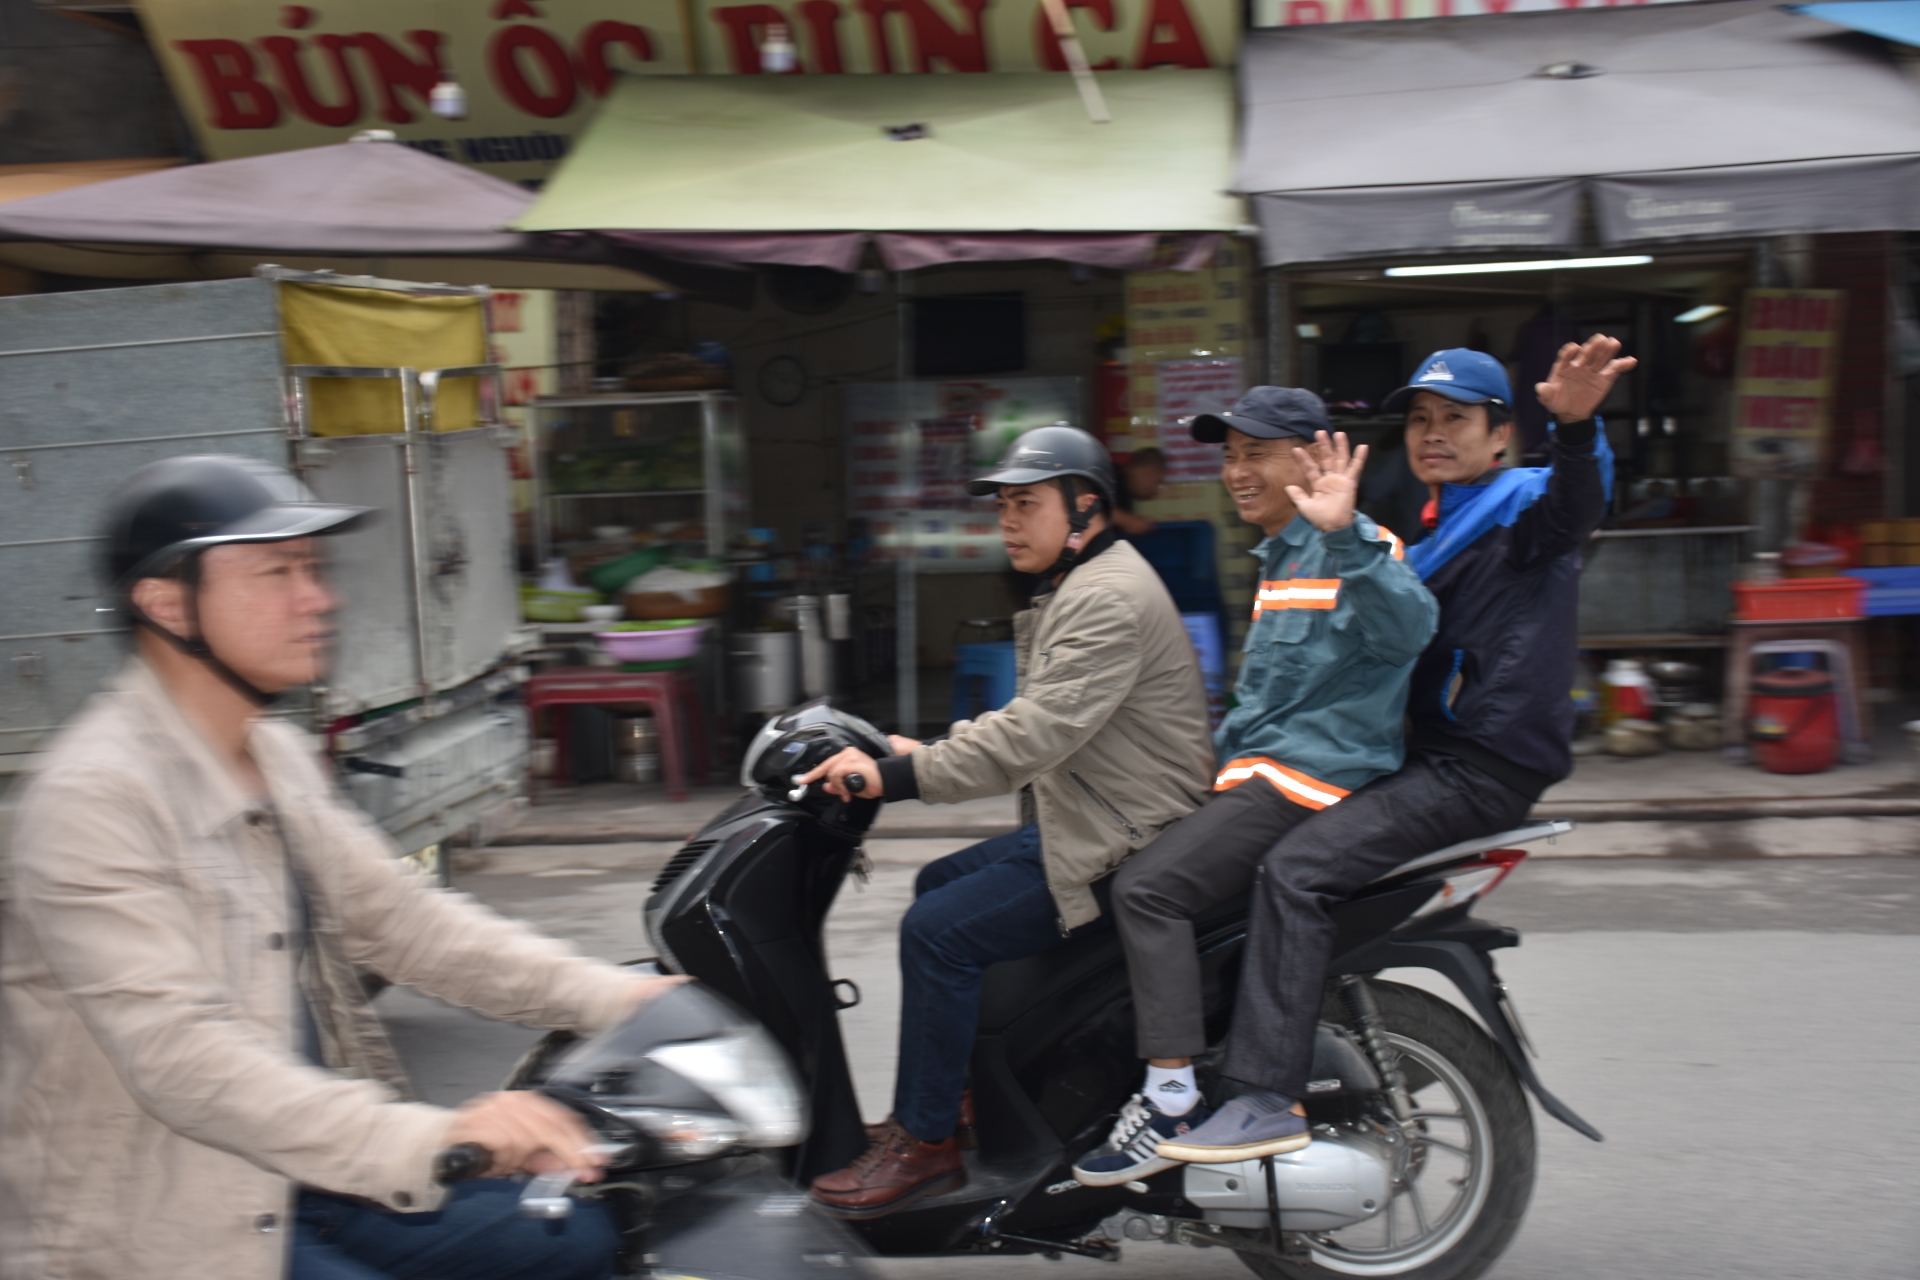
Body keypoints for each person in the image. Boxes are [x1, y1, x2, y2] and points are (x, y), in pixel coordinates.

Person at [0, 456, 679, 1280]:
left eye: (315, 570)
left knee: (576, 1236)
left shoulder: (272, 753)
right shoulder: (95, 798)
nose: (320, 598)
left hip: (303, 1178)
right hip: (166, 1217)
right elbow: (180, 1057)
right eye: (277, 572)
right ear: (168, 604)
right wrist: (434, 1137)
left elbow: (402, 923)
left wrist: (627, 1000)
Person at [1149, 336, 1631, 1167]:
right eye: (1420, 418)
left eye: (1455, 418)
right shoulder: (1430, 528)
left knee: (1295, 871)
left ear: (1501, 433)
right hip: (1428, 757)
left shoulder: (1523, 504)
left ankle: (1263, 1095)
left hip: (1479, 765)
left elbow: (1577, 506)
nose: (1433, 432)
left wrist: (1579, 429)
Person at [796, 425, 1215, 1219]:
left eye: (1027, 504)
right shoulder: (1084, 583)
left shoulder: (1106, 598)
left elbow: (1032, 736)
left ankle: (925, 1145)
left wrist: (892, 777)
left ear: (1084, 510)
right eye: (1004, 506)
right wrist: (930, 749)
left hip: (1124, 837)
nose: (1008, 522)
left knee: (936, 930)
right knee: (937, 882)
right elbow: (1042, 723)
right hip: (1094, 814)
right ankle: (953, 1098)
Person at [1071, 387, 1437, 1186]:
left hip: (1311, 784)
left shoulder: (1357, 545)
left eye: (1254, 453)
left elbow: (1410, 628)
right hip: (1260, 776)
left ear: (1311, 457)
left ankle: (1170, 1099)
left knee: (1147, 892)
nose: (1236, 471)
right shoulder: (1278, 554)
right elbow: (1262, 705)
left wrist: (1346, 537)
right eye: (1230, 455)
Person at [1110, 445, 1167, 537]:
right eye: (1157, 482)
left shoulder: (1126, 497)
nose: (1155, 493)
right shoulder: (1111, 476)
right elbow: (1086, 505)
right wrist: (1126, 520)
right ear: (1149, 472)